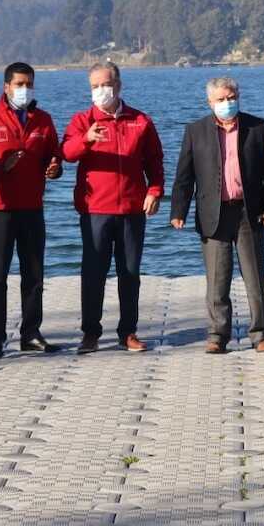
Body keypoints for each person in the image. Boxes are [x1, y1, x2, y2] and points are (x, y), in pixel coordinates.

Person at [169, 77, 264, 354]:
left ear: (238, 96)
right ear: (210, 102)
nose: (227, 103)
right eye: (220, 99)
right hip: (213, 215)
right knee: (217, 280)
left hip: (249, 212)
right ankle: (218, 334)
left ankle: (260, 334)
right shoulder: (195, 131)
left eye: (231, 97)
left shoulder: (257, 127)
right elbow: (184, 176)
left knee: (254, 277)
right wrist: (178, 210)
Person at [61, 61, 164, 354]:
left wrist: (155, 190)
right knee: (93, 272)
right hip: (95, 210)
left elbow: (155, 161)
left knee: (129, 273)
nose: (100, 91)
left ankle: (128, 332)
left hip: (132, 210)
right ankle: (91, 333)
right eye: (94, 86)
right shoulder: (83, 120)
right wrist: (86, 140)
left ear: (118, 85)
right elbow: (66, 153)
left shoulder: (140, 121)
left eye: (105, 84)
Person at [0, 62, 64, 359]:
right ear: (6, 87)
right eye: (19, 84)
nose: (25, 89)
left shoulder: (44, 120)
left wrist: (54, 168)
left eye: (29, 84)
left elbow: (55, 157)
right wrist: (0, 167)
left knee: (34, 274)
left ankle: (31, 334)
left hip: (33, 207)